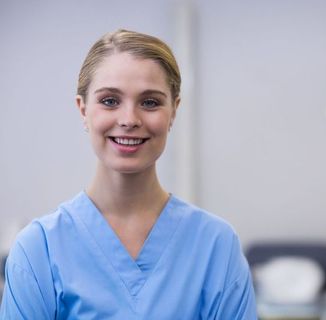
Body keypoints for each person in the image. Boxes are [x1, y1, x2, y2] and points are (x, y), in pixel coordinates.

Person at [0, 29, 257, 319]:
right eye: (110, 101)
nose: (129, 120)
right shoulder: (38, 250)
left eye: (150, 102)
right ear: (83, 110)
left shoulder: (216, 246)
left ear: (173, 111)